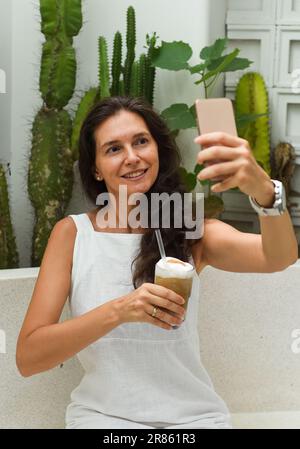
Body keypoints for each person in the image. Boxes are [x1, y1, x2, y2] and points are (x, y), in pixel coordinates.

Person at [16, 96, 298, 429]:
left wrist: (265, 191)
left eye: (140, 142)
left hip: (194, 421)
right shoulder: (73, 235)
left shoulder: (188, 230)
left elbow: (278, 257)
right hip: (105, 422)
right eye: (113, 149)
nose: (132, 157)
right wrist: (122, 310)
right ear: (95, 167)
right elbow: (29, 357)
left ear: (157, 150)